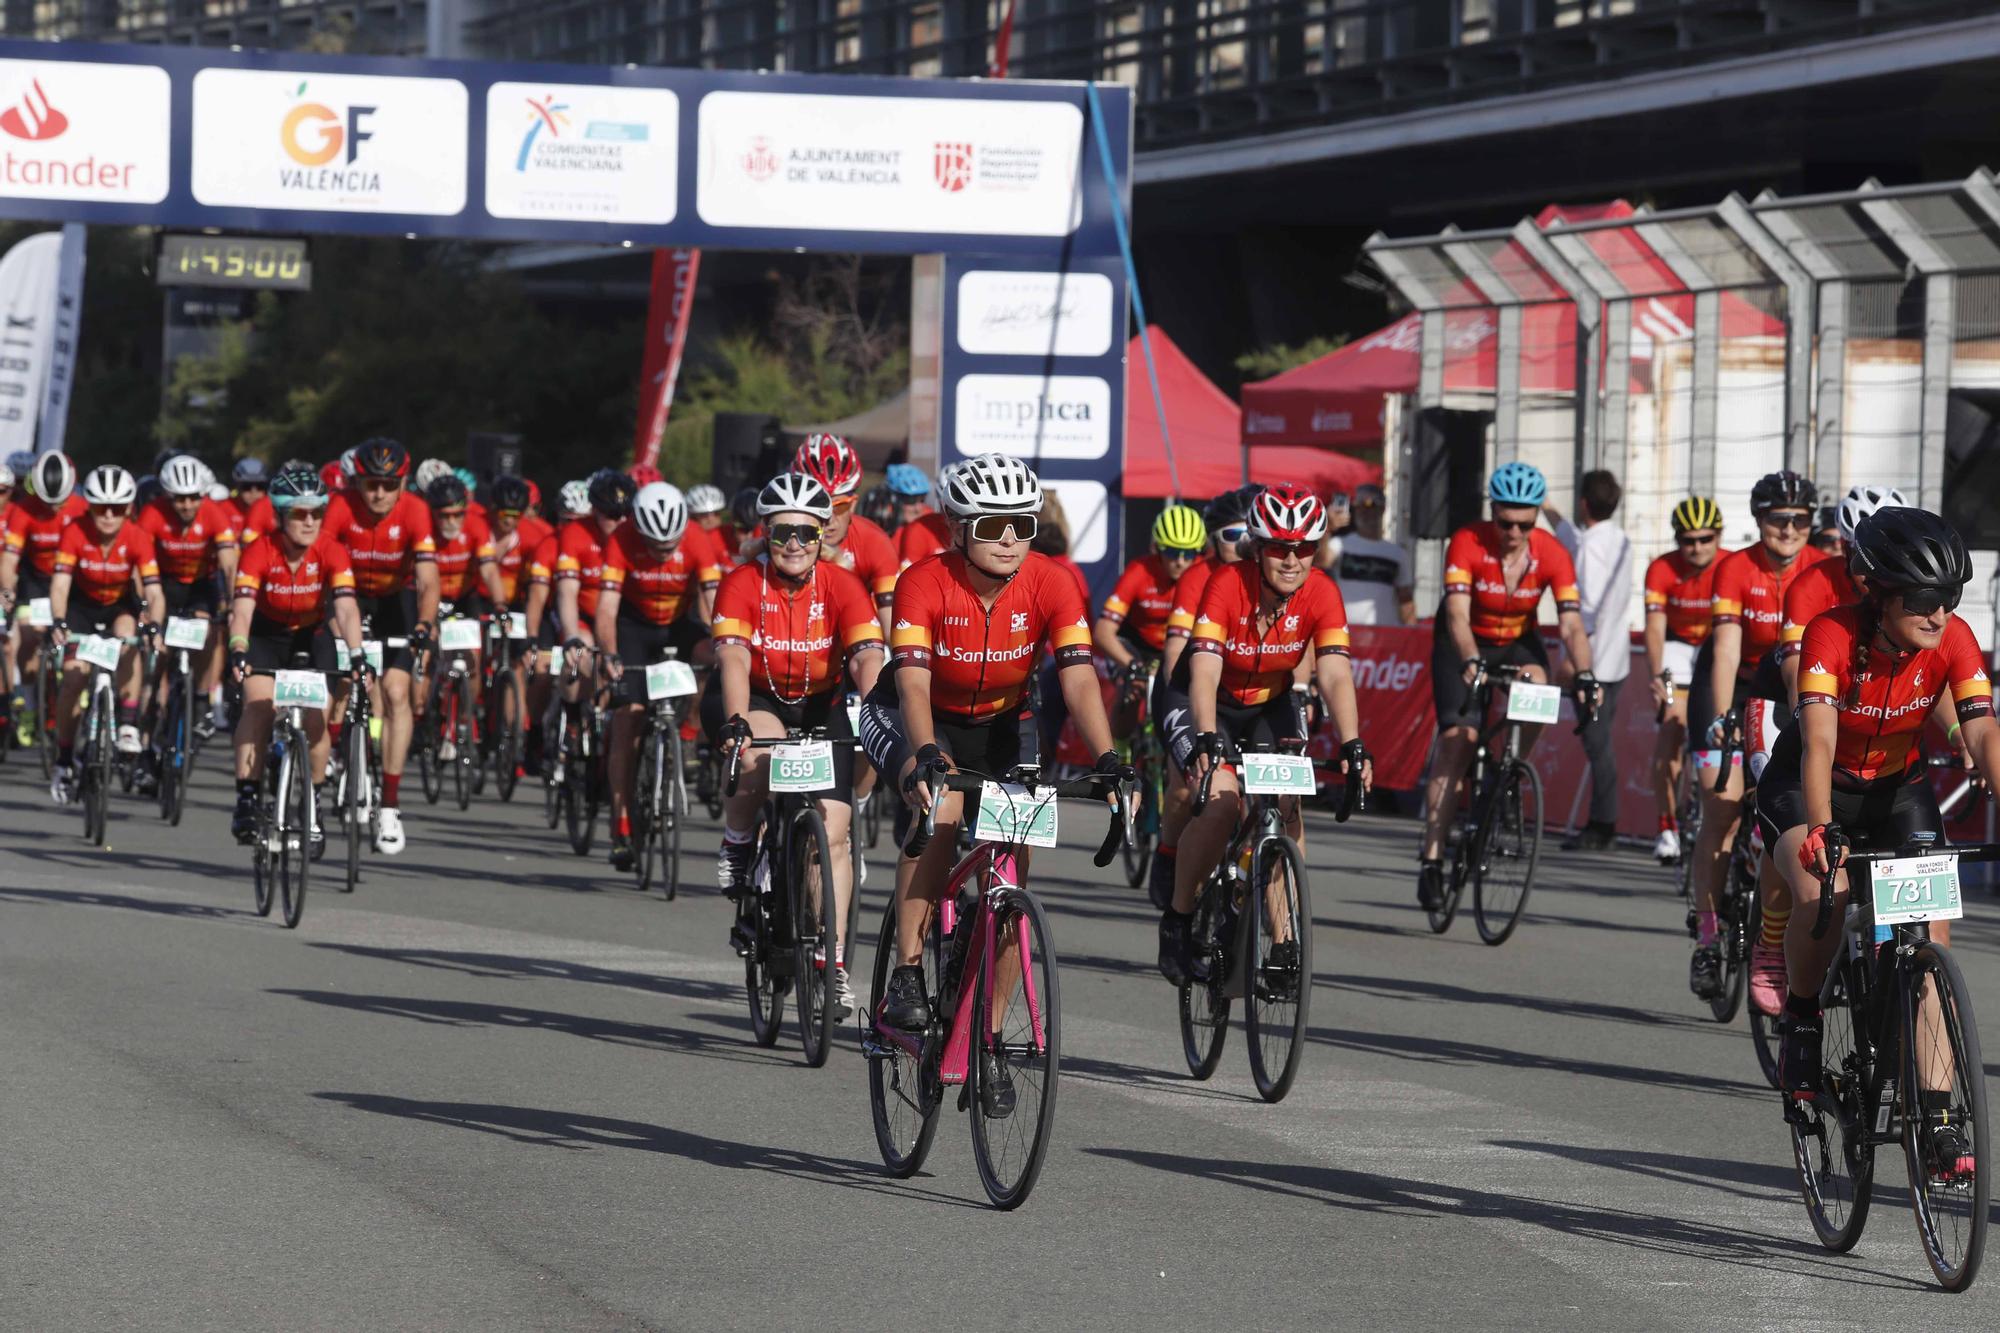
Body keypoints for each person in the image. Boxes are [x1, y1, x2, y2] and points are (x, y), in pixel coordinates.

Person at [860, 454, 1125, 1068]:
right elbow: (913, 686)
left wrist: (1110, 758)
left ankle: (987, 1042)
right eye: (990, 526)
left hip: (1004, 722)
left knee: (1009, 882)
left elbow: (1080, 678)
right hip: (910, 714)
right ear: (957, 528)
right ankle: (905, 973)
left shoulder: (1050, 581)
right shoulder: (923, 581)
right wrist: (926, 755)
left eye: (1021, 525)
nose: (1008, 538)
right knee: (942, 808)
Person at [1769, 509, 1998, 1185]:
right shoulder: (1831, 632)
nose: (1938, 615)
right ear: (1881, 594)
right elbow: (1816, 742)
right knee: (1827, 892)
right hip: (1811, 786)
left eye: (1949, 599)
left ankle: (1937, 1118)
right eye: (1924, 600)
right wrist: (1820, 828)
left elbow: (1984, 731)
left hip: (1898, 788)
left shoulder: (1953, 639)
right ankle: (1804, 1019)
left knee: (1932, 950)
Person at [1158, 482, 1372, 982]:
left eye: (1305, 548)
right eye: (1280, 547)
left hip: (1268, 703)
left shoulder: (1322, 591)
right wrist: (1208, 739)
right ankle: (1178, 918)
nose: (1292, 559)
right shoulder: (1226, 583)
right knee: (1223, 802)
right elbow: (1205, 668)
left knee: (1287, 802)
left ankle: (1283, 940)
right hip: (1200, 698)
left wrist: (1352, 743)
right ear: (1258, 546)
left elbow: (1336, 672)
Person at [707, 473, 886, 1014]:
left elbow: (865, 655)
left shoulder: (842, 585)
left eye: (806, 535)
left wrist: (876, 708)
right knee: (759, 752)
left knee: (834, 828)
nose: (793, 545)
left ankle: (829, 963)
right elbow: (734, 656)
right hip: (757, 697)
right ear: (765, 531)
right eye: (783, 532)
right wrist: (738, 719)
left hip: (822, 702)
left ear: (821, 537)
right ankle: (739, 839)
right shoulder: (742, 582)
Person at [1417, 462, 1598, 911]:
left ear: (1537, 515)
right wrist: (1471, 660)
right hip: (1463, 640)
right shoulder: (1467, 541)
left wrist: (1586, 672)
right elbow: (1457, 613)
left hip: (1517, 639)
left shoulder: (1553, 553)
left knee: (1539, 687)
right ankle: (1432, 856)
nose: (1514, 531)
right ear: (1492, 511)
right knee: (1458, 741)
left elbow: (1572, 626)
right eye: (1505, 521)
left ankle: (1510, 771)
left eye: (1524, 522)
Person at [1685, 469, 1822, 999]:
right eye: (1776, 519)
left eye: (1799, 520)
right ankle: (1707, 935)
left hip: (1794, 692)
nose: (1788, 530)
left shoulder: (1819, 568)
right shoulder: (1735, 569)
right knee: (1722, 803)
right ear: (1759, 520)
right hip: (1735, 686)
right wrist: (1723, 719)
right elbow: (1724, 652)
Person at [225, 468, 368, 848]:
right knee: (258, 706)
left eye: (316, 513)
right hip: (265, 637)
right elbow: (241, 609)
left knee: (318, 717)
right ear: (280, 515)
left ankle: (313, 804)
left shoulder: (331, 550)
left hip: (310, 636)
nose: (309, 521)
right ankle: (247, 798)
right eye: (298, 513)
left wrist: (357, 655)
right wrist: (238, 648)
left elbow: (347, 608)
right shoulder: (259, 550)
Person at [323, 437, 439, 856]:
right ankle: (334, 754)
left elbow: (427, 579)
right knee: (338, 682)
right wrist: (336, 627)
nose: (378, 494)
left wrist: (425, 624)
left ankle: (389, 805)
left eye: (389, 486)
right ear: (357, 482)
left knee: (394, 692)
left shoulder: (416, 512)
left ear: (403, 484)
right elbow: (321, 562)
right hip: (345, 595)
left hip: (394, 601)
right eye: (371, 484)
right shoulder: (340, 507)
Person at [1145, 485, 1259, 908]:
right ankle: (1170, 854)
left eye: (1253, 533)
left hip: (1252, 700)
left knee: (1283, 803)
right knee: (1185, 787)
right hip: (1193, 687)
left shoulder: (1279, 576)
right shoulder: (1199, 576)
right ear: (1214, 540)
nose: (1246, 543)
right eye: (1234, 536)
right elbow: (1177, 648)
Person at [596, 481, 718, 872]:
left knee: (714, 657)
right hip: (634, 627)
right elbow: (606, 609)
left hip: (679, 623)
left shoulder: (698, 540)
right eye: (655, 546)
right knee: (628, 716)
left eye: (670, 546)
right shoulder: (622, 540)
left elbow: (715, 603)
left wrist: (726, 645)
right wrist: (611, 655)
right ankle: (621, 822)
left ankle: (687, 734)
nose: (663, 554)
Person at [45, 466, 166, 804]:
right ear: (90, 507)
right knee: (73, 678)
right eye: (101, 507)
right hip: (80, 608)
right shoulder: (74, 532)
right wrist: (57, 621)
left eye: (117, 508)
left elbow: (154, 591)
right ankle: (65, 759)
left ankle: (127, 720)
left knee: (129, 634)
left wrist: (153, 624)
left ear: (128, 507)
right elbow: (59, 586)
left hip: (118, 606)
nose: (109, 516)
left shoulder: (138, 536)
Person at [1545, 470, 1633, 852]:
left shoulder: (1590, 549)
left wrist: (1574, 664)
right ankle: (1602, 821)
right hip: (1615, 661)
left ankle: (1603, 824)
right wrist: (1544, 506)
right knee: (1599, 744)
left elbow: (1590, 611)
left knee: (1599, 748)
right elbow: (1569, 535)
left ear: (1584, 502)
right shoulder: (1618, 540)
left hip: (1592, 663)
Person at [136, 454, 240, 762]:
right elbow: (138, 563)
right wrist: (143, 603)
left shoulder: (213, 513)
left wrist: (233, 602)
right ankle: (147, 728)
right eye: (180, 499)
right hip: (163, 584)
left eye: (193, 498)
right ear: (168, 495)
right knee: (159, 656)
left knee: (209, 632)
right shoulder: (154, 513)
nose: (187, 505)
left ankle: (201, 697)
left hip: (199, 586)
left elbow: (229, 563)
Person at [1642, 495, 1725, 864]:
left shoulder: (1729, 565)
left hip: (1713, 646)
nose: (1697, 548)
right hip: (1677, 648)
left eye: (1706, 539)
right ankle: (1666, 827)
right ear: (1677, 540)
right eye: (1688, 541)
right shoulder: (1661, 568)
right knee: (1673, 724)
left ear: (1717, 538)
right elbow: (1655, 630)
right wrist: (1658, 676)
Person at [1093, 505, 1205, 738]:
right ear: (1157, 549)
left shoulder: (1204, 574)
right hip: (1138, 647)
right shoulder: (1140, 571)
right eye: (1173, 552)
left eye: (1190, 553)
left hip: (1179, 647)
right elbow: (1103, 632)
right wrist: (1132, 664)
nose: (1181, 561)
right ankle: (1120, 746)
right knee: (1133, 687)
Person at [0, 451, 84, 746]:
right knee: (27, 637)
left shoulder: (83, 508)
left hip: (73, 582)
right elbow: (10, 560)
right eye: (47, 501)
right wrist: (8, 591)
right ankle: (30, 704)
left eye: (59, 501)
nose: (53, 507)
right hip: (36, 582)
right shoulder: (23, 511)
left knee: (77, 637)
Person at [1328, 482, 1414, 625]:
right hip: (1346, 634)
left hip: (1385, 637)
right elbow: (1322, 561)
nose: (1367, 511)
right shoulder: (1339, 544)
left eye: (1373, 505)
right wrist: (1327, 528)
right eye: (1360, 504)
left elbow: (1406, 601)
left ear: (1383, 509)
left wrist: (1411, 636)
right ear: (1354, 508)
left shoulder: (1398, 554)